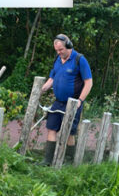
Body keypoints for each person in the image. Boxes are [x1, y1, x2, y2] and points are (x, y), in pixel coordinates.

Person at [40, 34, 93, 165]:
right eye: (57, 50)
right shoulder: (57, 59)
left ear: (68, 46)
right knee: (51, 128)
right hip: (58, 102)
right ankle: (47, 160)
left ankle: (69, 161)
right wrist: (41, 89)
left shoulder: (79, 60)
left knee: (69, 132)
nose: (59, 53)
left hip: (73, 103)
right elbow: (52, 78)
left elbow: (89, 82)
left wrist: (80, 100)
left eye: (61, 50)